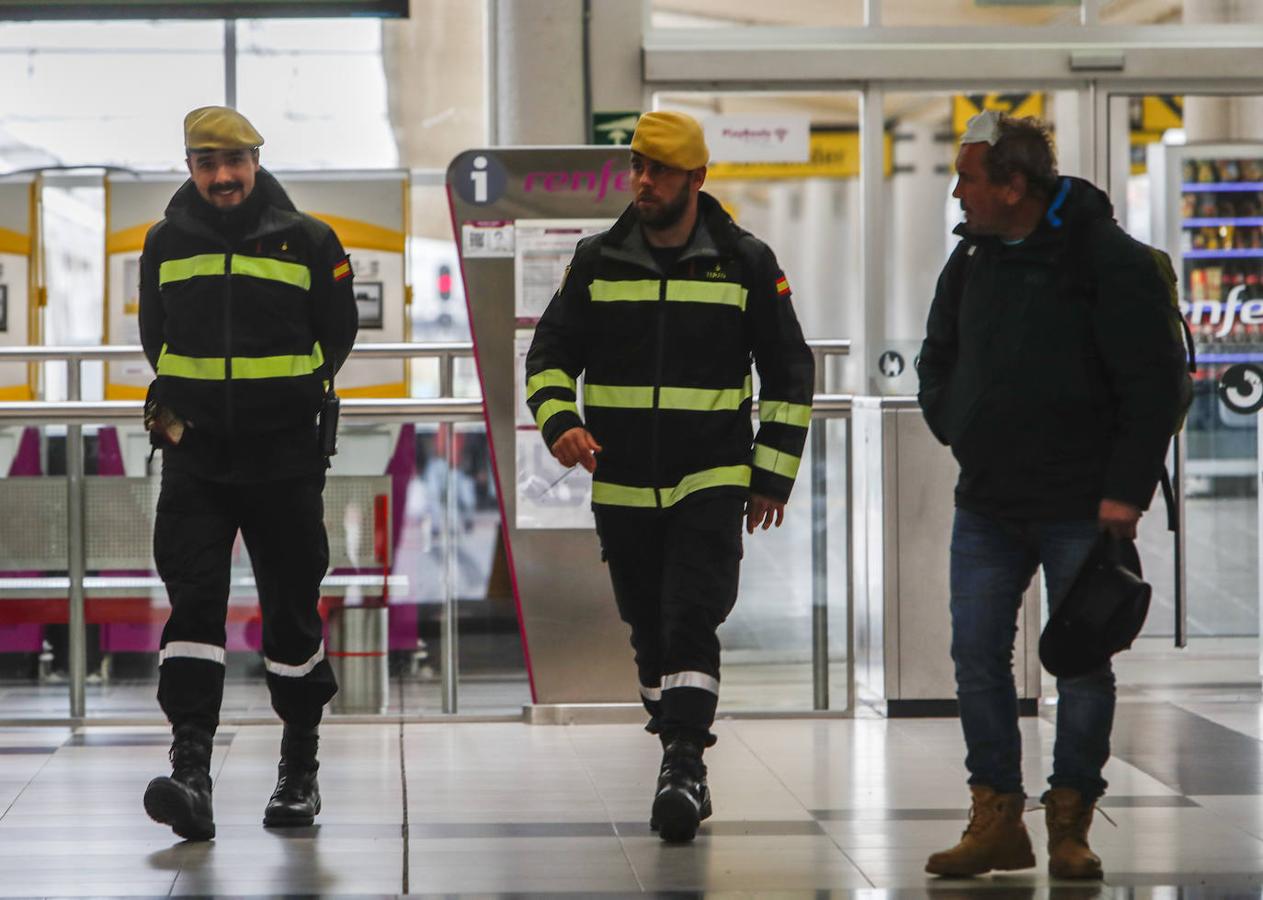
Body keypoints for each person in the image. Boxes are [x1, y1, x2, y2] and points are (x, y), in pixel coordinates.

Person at [524, 111, 814, 843]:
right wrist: (560, 423)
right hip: (621, 485)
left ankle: (684, 765)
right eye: (637, 167)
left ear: (696, 178)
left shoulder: (745, 261)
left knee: (692, 615)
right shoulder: (596, 259)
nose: (642, 181)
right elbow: (549, 356)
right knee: (648, 632)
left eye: (658, 169)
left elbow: (788, 371)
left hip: (710, 475)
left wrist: (770, 476)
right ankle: (673, 734)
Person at [916, 111, 1190, 879]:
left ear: (1011, 185)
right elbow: (936, 355)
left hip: (1083, 504)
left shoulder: (1109, 261)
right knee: (975, 656)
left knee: (1081, 663)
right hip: (987, 501)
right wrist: (957, 424)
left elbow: (1153, 385)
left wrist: (1124, 493)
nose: (958, 191)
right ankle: (996, 817)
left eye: (969, 176)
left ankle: (1070, 821)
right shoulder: (970, 261)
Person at [138, 106, 359, 841]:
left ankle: (298, 772)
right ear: (190, 167)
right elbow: (155, 338)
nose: (222, 177)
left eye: (234, 162)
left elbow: (337, 335)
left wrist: (280, 401)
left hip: (284, 460)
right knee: (193, 612)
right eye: (206, 163)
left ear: (256, 161)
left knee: (291, 616)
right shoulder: (164, 242)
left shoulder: (310, 240)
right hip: (196, 461)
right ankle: (190, 773)